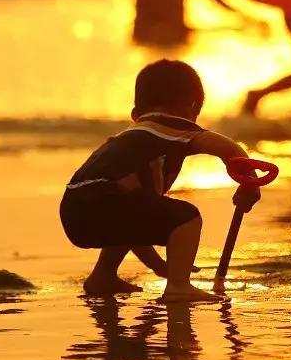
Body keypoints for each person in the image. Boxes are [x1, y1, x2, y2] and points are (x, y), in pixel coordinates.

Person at [59, 59, 262, 301]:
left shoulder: (131, 141)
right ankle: (179, 286)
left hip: (74, 210)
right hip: (105, 200)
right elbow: (227, 147)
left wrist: (159, 266)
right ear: (191, 108)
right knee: (185, 217)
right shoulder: (167, 124)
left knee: (133, 211)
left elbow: (135, 229)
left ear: (135, 113)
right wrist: (250, 182)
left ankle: (102, 276)